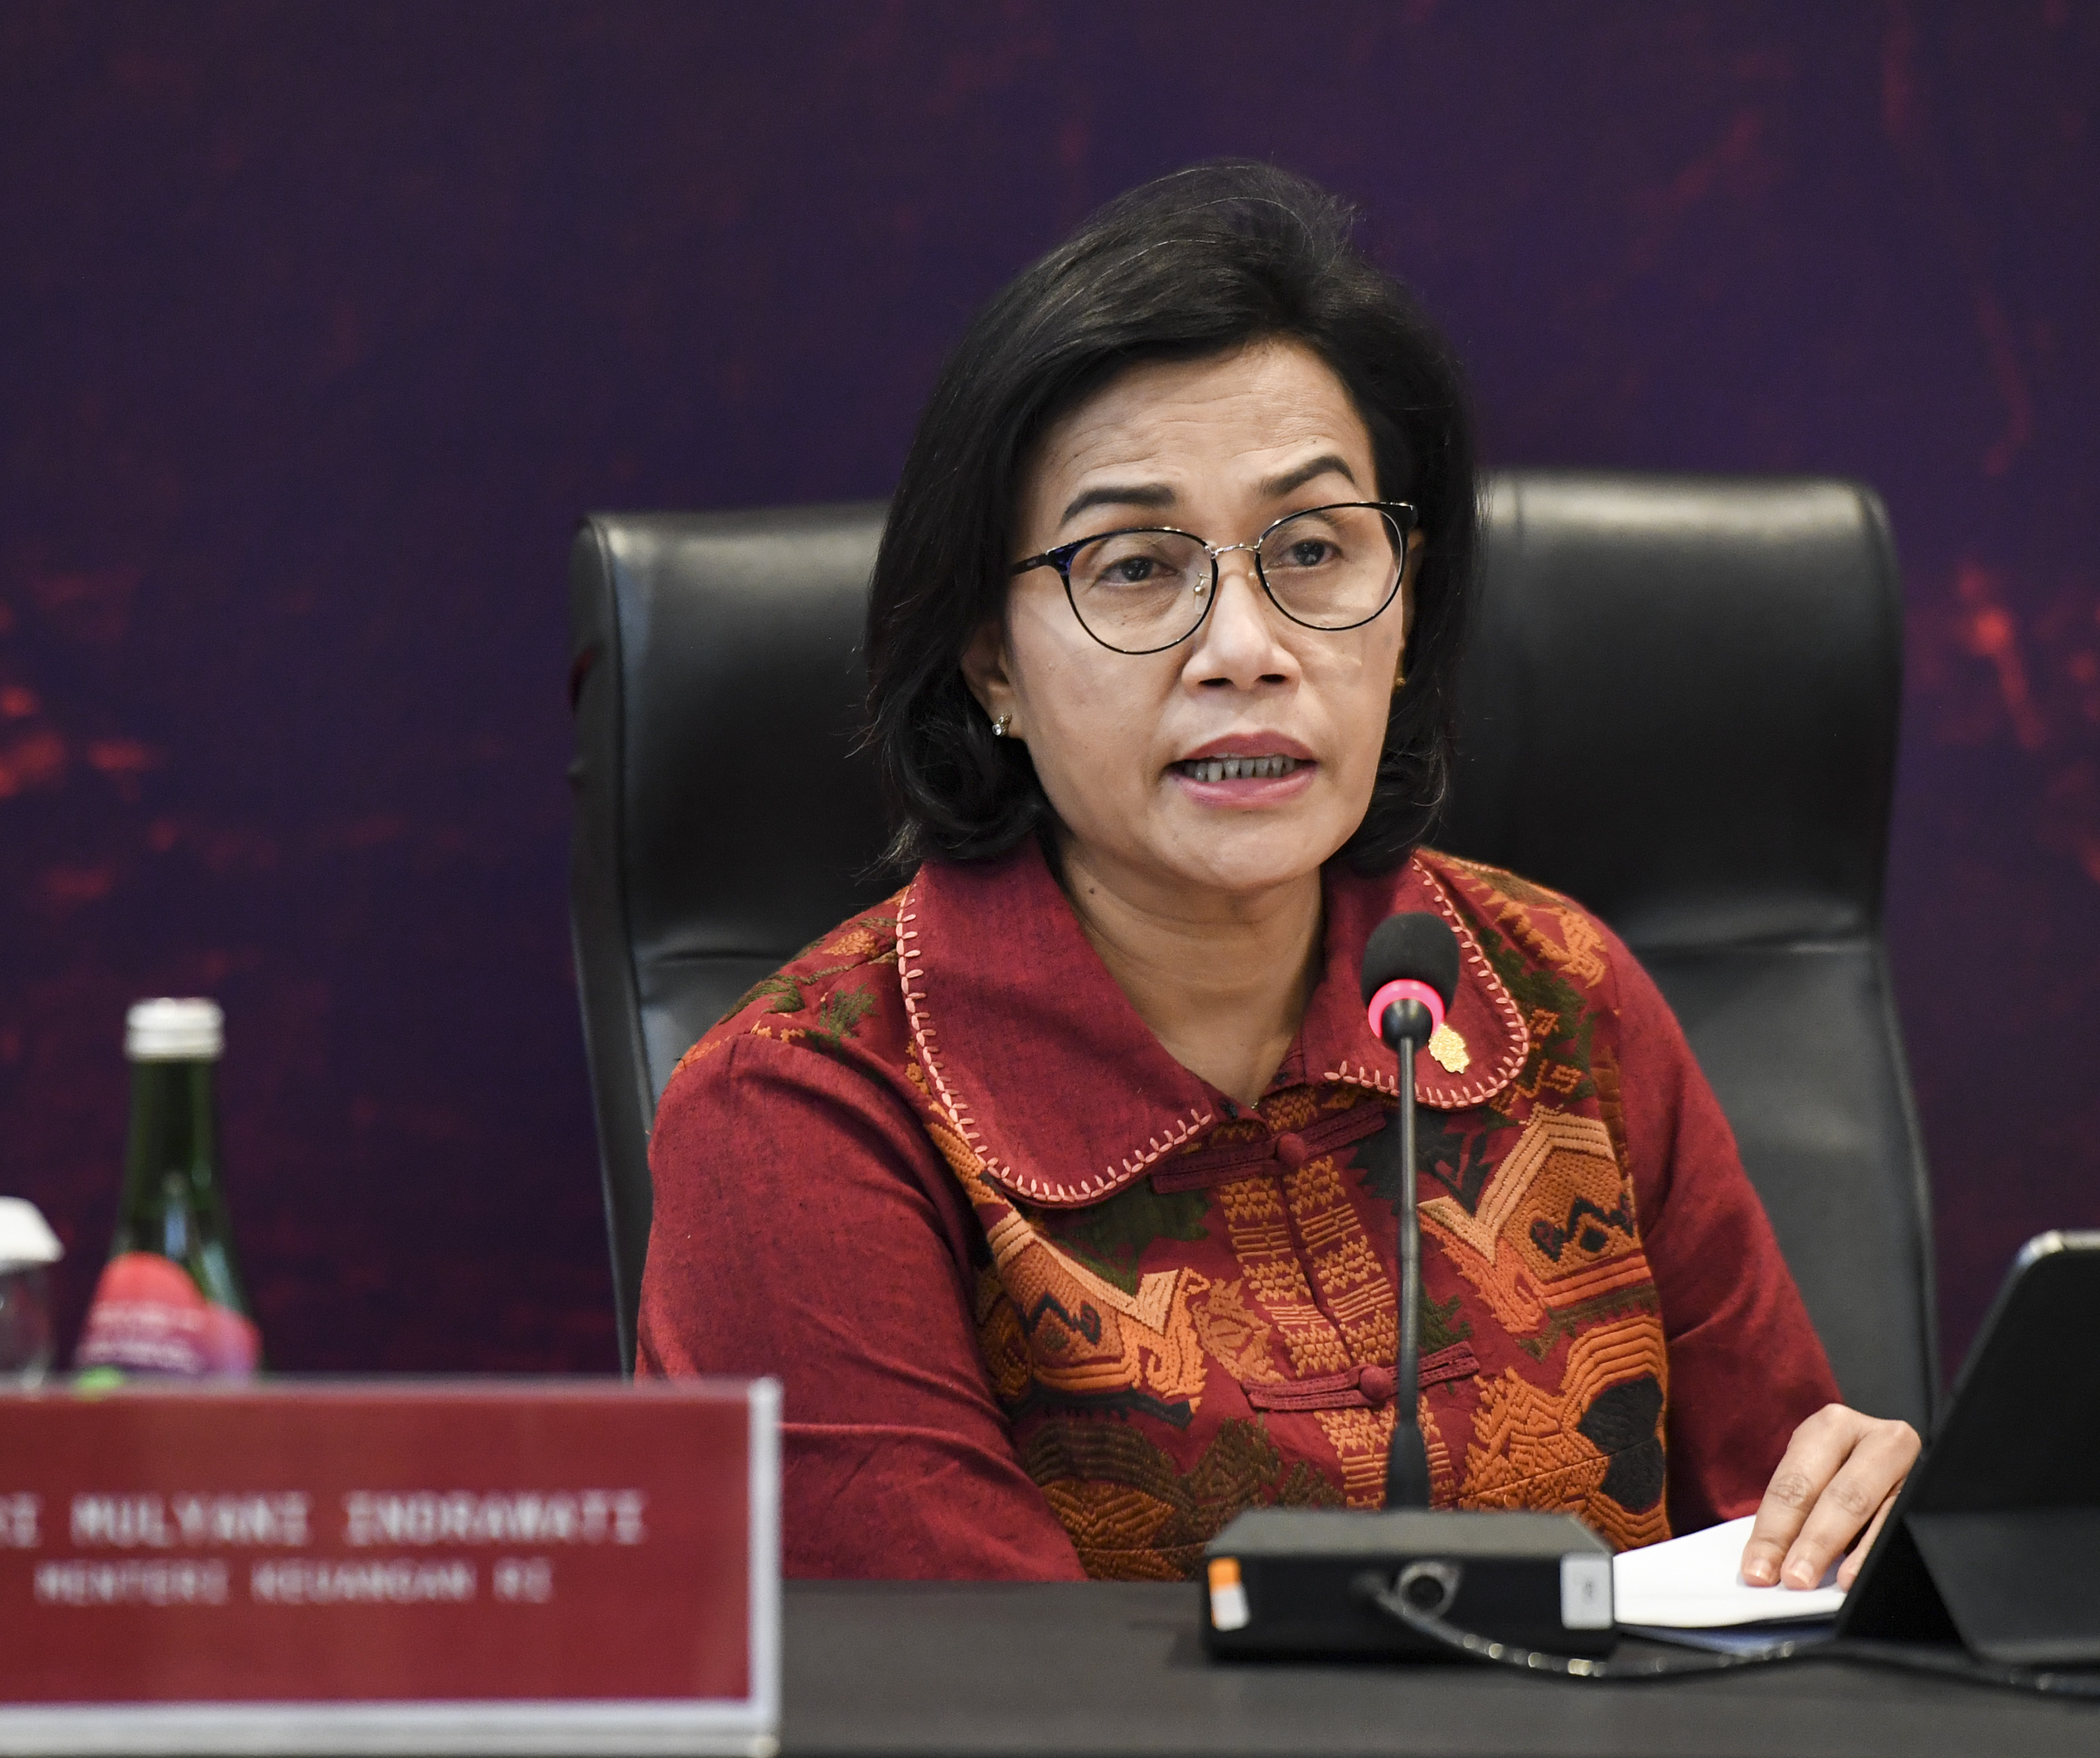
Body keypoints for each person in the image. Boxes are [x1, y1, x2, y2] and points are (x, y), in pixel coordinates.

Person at [636, 160, 1917, 1587]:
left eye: (1311, 548)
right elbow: (969, 1703)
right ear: (987, 659)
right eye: (1133, 567)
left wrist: (1867, 1539)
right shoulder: (810, 1108)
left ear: (1404, 606)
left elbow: (1785, 1566)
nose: (1244, 644)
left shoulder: (1556, 993)